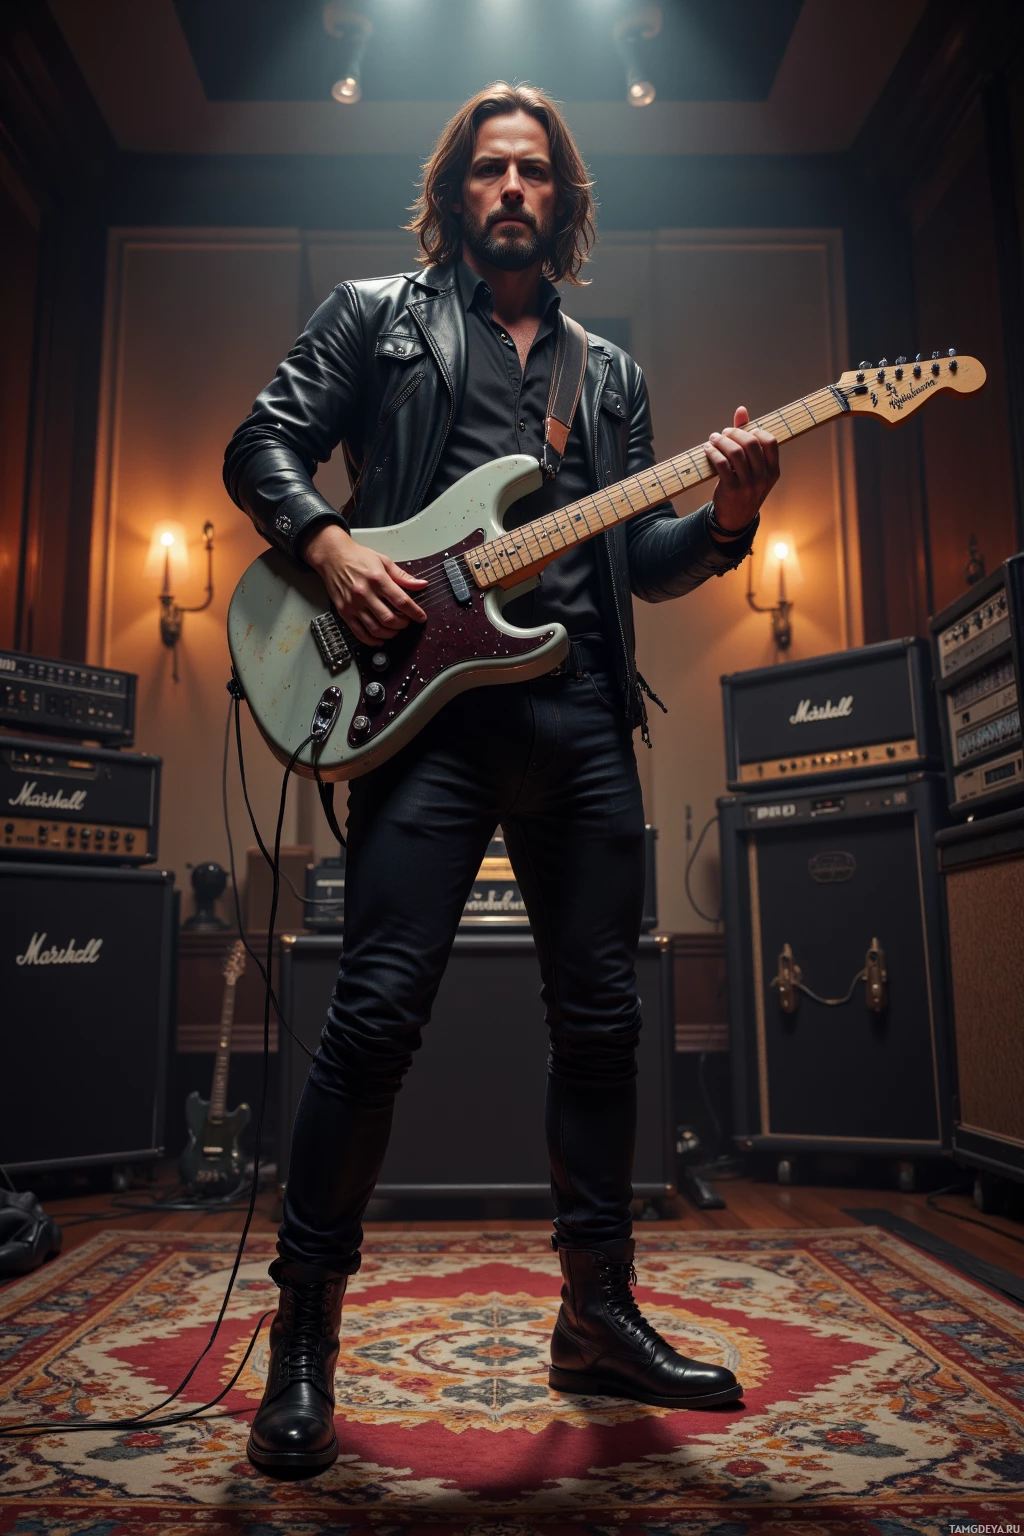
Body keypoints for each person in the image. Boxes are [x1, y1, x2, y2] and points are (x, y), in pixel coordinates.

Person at [224, 81, 779, 1475]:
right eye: (491, 169)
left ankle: (596, 1313)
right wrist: (331, 547)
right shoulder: (375, 319)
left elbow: (631, 564)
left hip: (584, 718)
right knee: (374, 1019)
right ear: (456, 191)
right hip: (426, 717)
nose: (514, 189)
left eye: (536, 171)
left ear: (567, 199)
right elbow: (260, 447)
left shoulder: (614, 373)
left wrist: (727, 516)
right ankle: (305, 1337)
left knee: (602, 1026)